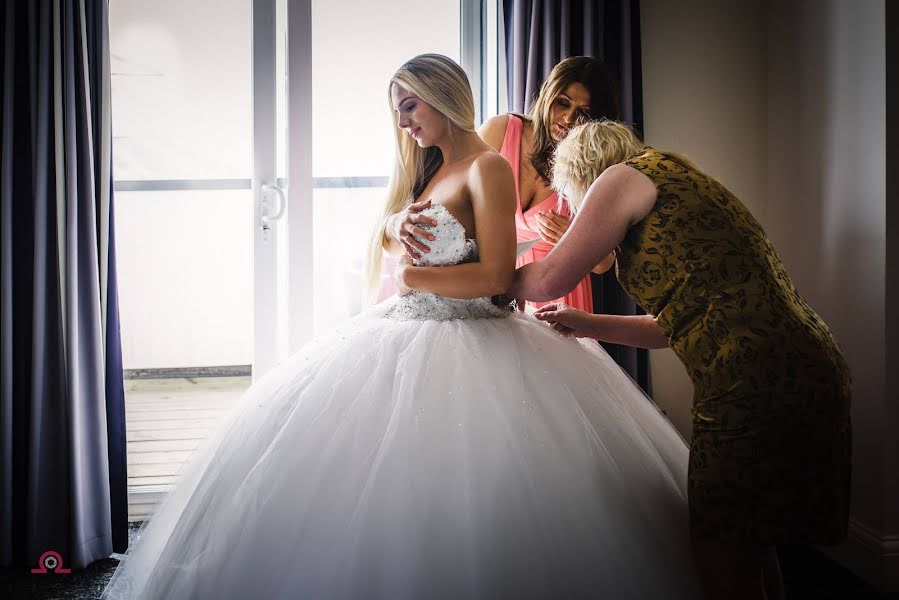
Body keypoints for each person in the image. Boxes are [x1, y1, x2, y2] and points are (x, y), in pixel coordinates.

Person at [101, 56, 703, 600]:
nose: (404, 122)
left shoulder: (488, 167)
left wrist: (414, 279)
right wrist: (395, 227)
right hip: (408, 326)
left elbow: (496, 275)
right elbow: (405, 236)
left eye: (408, 106)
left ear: (439, 96)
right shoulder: (435, 171)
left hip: (469, 333)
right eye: (399, 112)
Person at [508, 119, 852, 600]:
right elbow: (675, 326)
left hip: (749, 378)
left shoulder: (620, 179)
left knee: (717, 544)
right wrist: (586, 323)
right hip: (805, 361)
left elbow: (547, 278)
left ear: (579, 174)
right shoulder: (673, 177)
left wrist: (486, 278)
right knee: (750, 537)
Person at [394, 56, 616, 312]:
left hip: (557, 291)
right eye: (562, 103)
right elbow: (458, 207)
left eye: (582, 113)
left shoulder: (590, 165)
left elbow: (604, 264)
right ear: (547, 96)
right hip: (490, 287)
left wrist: (571, 238)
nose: (567, 119)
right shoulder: (502, 130)